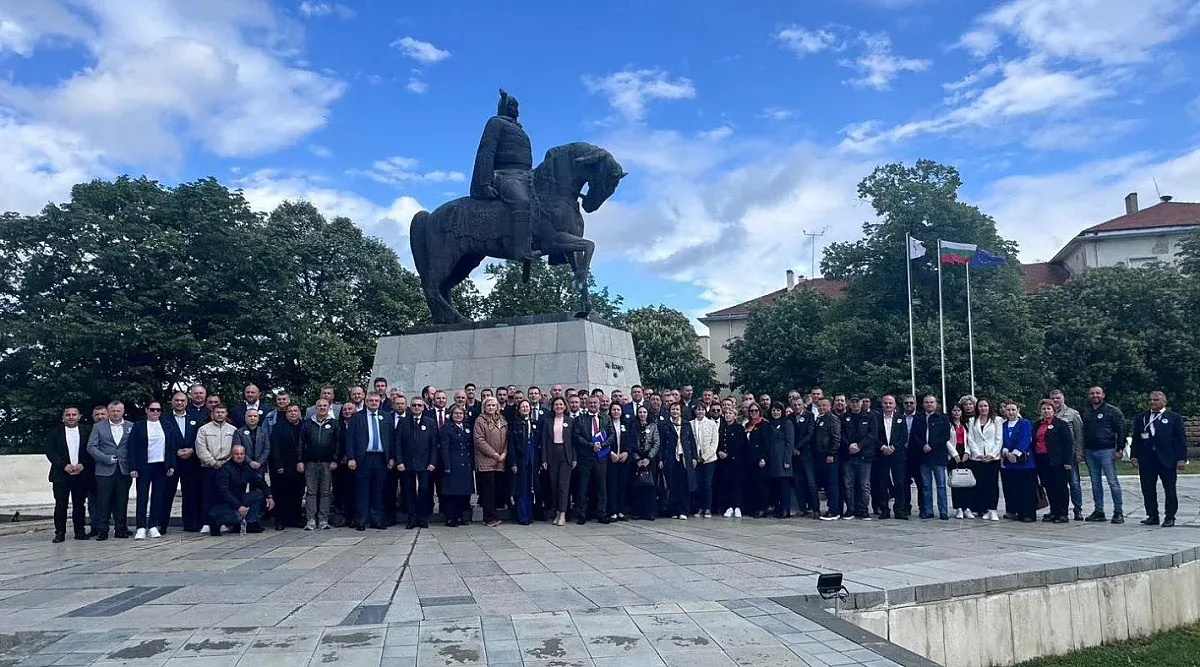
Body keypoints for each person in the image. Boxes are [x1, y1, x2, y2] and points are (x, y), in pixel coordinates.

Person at [1131, 391, 1188, 527]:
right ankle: (1152, 515)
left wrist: (1181, 459)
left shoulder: (1173, 417)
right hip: (1147, 459)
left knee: (1170, 489)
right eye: (1150, 400)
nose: (1152, 402)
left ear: (1164, 401)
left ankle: (1170, 516)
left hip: (1167, 459)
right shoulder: (1142, 417)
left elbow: (1180, 439)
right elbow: (1136, 437)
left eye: (1155, 400)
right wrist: (1134, 455)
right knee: (1148, 489)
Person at [346, 394, 395, 530]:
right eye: (371, 401)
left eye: (376, 401)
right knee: (362, 490)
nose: (374, 403)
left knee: (378, 490)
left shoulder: (386, 416)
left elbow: (392, 439)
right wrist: (351, 457)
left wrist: (391, 457)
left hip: (381, 458)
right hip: (363, 458)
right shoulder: (357, 417)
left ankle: (377, 520)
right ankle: (361, 520)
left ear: (380, 402)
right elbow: (349, 438)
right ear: (366, 402)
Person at [128, 400, 176, 539]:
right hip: (144, 466)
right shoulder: (139, 426)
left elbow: (171, 447)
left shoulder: (167, 426)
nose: (155, 412)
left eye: (158, 410)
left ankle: (153, 525)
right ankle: (141, 527)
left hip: (161, 465)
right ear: (146, 410)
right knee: (142, 496)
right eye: (152, 409)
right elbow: (132, 447)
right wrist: (133, 467)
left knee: (158, 496)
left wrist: (171, 465)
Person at [46, 406, 94, 542]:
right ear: (63, 417)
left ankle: (79, 531)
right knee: (61, 504)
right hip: (61, 475)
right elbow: (50, 452)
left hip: (81, 473)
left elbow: (91, 449)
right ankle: (60, 533)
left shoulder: (87, 431)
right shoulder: (54, 433)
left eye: (74, 414)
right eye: (68, 415)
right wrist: (64, 465)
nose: (71, 417)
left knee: (79, 504)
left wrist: (82, 464)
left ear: (79, 416)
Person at [86, 400, 133, 540]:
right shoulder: (99, 427)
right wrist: (105, 458)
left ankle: (120, 530)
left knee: (122, 501)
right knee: (103, 501)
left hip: (124, 469)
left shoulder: (131, 426)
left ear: (123, 411)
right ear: (109, 411)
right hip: (104, 470)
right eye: (113, 410)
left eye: (118, 410)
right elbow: (91, 447)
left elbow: (135, 447)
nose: (116, 413)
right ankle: (103, 530)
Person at [1081, 386, 1126, 524]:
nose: (1095, 395)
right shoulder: (1086, 412)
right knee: (1095, 483)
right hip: (1090, 451)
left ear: (1103, 395)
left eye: (1098, 393)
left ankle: (1118, 512)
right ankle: (1099, 510)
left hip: (1107, 450)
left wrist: (1120, 449)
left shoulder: (1112, 411)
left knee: (1112, 482)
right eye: (1092, 393)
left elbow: (1121, 429)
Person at [208, 444, 274, 535]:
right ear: (231, 455)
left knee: (259, 495)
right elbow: (224, 492)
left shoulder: (246, 467)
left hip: (239, 498)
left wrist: (269, 496)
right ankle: (217, 522)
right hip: (224, 503)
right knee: (238, 517)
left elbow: (259, 481)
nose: (239, 456)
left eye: (242, 454)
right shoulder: (225, 469)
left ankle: (250, 523)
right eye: (237, 454)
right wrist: (238, 506)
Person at [163, 392, 203, 533]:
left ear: (187, 402)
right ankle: (162, 525)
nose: (180, 403)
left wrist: (192, 450)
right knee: (167, 493)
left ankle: (190, 524)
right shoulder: (164, 418)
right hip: (172, 461)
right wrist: (175, 452)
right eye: (177, 400)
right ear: (172, 402)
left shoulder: (195, 417)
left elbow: (200, 437)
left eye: (182, 400)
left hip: (191, 460)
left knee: (190, 493)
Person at [195, 403, 237, 535]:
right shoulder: (203, 429)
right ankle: (207, 522)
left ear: (226, 414)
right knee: (208, 495)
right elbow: (200, 448)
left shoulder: (233, 430)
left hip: (226, 467)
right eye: (217, 412)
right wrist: (213, 462)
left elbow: (236, 448)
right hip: (209, 467)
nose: (220, 414)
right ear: (212, 414)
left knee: (223, 496)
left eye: (222, 412)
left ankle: (222, 521)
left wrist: (226, 461)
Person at [300, 398, 340, 530]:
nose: (322, 408)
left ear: (329, 407)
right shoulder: (307, 424)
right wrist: (300, 460)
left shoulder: (334, 423)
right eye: (319, 406)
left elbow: (338, 443)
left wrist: (335, 459)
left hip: (327, 463)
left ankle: (323, 519)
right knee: (311, 492)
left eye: (324, 406)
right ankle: (310, 519)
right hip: (310, 463)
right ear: (315, 408)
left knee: (325, 492)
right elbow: (301, 443)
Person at [398, 397, 438, 529]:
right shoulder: (403, 422)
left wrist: (433, 462)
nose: (416, 407)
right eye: (414, 405)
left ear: (423, 407)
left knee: (424, 491)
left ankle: (423, 517)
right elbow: (397, 443)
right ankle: (412, 518)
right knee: (409, 491)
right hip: (407, 463)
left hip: (425, 463)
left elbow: (434, 444)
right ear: (410, 407)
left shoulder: (430, 422)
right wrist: (400, 461)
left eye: (419, 405)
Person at [1032, 399, 1073, 524]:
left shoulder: (1060, 424)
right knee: (1048, 487)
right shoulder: (1037, 424)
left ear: (1054, 410)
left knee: (1060, 487)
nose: (1046, 411)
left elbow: (1067, 443)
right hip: (1041, 459)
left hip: (1057, 460)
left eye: (1049, 408)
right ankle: (1054, 511)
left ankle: (1062, 513)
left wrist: (1067, 461)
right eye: (1043, 409)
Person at [911, 395, 951, 520]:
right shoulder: (918, 418)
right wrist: (923, 445)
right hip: (924, 456)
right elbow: (914, 434)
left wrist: (932, 445)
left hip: (938, 456)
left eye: (931, 402)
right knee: (926, 485)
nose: (929, 404)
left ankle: (943, 511)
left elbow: (945, 435)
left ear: (936, 404)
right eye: (927, 402)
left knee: (941, 485)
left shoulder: (943, 417)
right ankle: (928, 510)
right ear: (923, 404)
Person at [572, 395, 610, 524]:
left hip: (601, 457)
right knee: (583, 487)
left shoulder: (606, 418)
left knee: (601, 487)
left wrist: (602, 445)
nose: (593, 405)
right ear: (586, 404)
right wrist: (591, 445)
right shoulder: (580, 419)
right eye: (590, 403)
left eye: (595, 403)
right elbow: (577, 436)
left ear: (599, 404)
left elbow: (612, 435)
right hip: (585, 457)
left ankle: (602, 514)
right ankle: (581, 515)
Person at [1049, 389, 1085, 521]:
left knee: (1074, 483)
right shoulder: (1048, 413)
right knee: (1057, 484)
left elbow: (1079, 434)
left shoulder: (1073, 414)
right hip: (1054, 457)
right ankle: (1056, 510)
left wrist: (1079, 453)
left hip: (1070, 455)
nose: (1055, 401)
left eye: (1058, 398)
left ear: (1063, 398)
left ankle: (1078, 509)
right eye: (1053, 398)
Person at [541, 397, 576, 526]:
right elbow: (544, 441)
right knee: (554, 485)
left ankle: (563, 513)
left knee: (563, 486)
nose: (559, 407)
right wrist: (544, 458)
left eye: (561, 404)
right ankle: (556, 511)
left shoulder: (570, 421)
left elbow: (573, 442)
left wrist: (574, 458)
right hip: (552, 454)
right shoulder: (548, 421)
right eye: (556, 404)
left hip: (566, 455)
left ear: (565, 406)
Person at [966, 398, 1003, 521]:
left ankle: (992, 509)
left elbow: (999, 439)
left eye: (985, 406)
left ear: (989, 407)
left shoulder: (997, 420)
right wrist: (978, 454)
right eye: (981, 406)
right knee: (979, 483)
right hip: (977, 457)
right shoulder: (972, 420)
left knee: (992, 484)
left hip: (993, 457)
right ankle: (981, 508)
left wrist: (992, 454)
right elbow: (970, 439)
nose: (983, 408)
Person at [269, 404, 305, 530]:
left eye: (295, 411)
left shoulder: (304, 426)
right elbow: (275, 447)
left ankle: (296, 519)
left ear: (299, 412)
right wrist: (278, 465)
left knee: (298, 493)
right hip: (283, 466)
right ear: (286, 413)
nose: (293, 413)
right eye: (290, 411)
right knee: (282, 494)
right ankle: (281, 520)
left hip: (300, 466)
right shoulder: (278, 427)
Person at [474, 397, 508, 527]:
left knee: (496, 489)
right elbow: (479, 440)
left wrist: (504, 453)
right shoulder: (480, 420)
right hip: (486, 460)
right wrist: (493, 454)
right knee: (488, 490)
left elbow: (506, 438)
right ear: (484, 407)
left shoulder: (502, 419)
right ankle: (488, 518)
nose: (491, 407)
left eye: (493, 405)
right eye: (488, 405)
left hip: (500, 460)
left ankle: (495, 515)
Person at [438, 405, 475, 527]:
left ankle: (460, 516)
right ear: (451, 415)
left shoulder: (467, 427)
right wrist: (447, 465)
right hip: (453, 463)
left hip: (465, 464)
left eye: (460, 413)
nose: (458, 416)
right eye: (456, 413)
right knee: (451, 493)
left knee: (462, 493)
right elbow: (444, 448)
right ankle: (450, 517)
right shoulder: (446, 428)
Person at [873, 395, 909, 520]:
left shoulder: (901, 419)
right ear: (882, 404)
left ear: (894, 405)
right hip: (881, 454)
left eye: (890, 403)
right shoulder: (876, 419)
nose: (888, 405)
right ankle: (884, 510)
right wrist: (883, 447)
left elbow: (904, 436)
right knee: (882, 483)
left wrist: (893, 447)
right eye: (886, 403)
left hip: (897, 455)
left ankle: (900, 510)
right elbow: (873, 436)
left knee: (900, 482)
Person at [1000, 401, 1036, 522]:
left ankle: (1028, 514)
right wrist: (1006, 452)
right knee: (1014, 488)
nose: (1011, 412)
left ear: (1018, 410)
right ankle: (1015, 511)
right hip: (1009, 462)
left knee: (1026, 489)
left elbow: (1026, 439)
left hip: (1024, 462)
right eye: (1008, 410)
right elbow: (1003, 440)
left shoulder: (1024, 423)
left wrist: (1015, 453)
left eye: (1013, 410)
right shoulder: (1004, 425)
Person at [843, 396, 878, 520]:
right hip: (849, 456)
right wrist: (849, 446)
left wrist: (859, 445)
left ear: (862, 403)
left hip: (864, 456)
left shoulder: (870, 417)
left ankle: (863, 510)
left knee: (864, 485)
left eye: (857, 402)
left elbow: (872, 434)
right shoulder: (844, 417)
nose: (855, 404)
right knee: (848, 484)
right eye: (852, 402)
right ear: (848, 403)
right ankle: (851, 510)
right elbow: (841, 434)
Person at [661, 402, 697, 520]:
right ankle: (674, 510)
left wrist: (694, 457)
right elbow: (661, 444)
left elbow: (692, 441)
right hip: (671, 458)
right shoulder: (665, 425)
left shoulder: (686, 424)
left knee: (684, 485)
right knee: (673, 485)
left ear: (680, 411)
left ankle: (684, 510)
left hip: (684, 458)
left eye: (677, 409)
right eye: (673, 409)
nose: (675, 411)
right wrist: (661, 459)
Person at [509, 399, 541, 525]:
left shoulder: (534, 423)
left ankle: (530, 514)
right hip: (520, 459)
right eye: (523, 406)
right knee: (521, 489)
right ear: (518, 409)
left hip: (532, 459)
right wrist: (513, 463)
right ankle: (522, 516)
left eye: (527, 406)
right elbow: (511, 445)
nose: (525, 408)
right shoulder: (514, 424)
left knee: (531, 488)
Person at [813, 399, 843, 521]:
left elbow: (836, 437)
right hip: (820, 457)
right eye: (819, 406)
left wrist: (832, 453)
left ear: (830, 406)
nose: (821, 408)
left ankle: (834, 510)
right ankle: (831, 508)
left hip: (830, 456)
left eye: (824, 405)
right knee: (826, 484)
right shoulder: (819, 419)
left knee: (832, 484)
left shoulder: (833, 419)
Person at [790, 395, 819, 519]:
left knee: (811, 482)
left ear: (803, 405)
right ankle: (802, 508)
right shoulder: (789, 418)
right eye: (794, 405)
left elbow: (810, 434)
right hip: (794, 456)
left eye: (799, 404)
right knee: (798, 482)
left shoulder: (809, 416)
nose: (797, 407)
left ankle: (815, 508)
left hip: (806, 454)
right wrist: (792, 449)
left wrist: (798, 447)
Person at [629, 405, 660, 521]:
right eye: (640, 412)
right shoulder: (633, 427)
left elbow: (656, 443)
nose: (642, 414)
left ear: (648, 414)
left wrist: (649, 458)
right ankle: (637, 512)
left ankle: (650, 512)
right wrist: (637, 459)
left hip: (649, 459)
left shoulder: (653, 426)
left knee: (650, 486)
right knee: (637, 486)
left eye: (644, 412)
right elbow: (631, 444)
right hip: (636, 459)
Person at [605, 401, 633, 521]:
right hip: (610, 459)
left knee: (622, 485)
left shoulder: (627, 424)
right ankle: (613, 511)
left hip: (624, 459)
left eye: (618, 410)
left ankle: (621, 510)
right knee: (612, 485)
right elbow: (602, 439)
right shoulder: (606, 424)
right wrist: (610, 452)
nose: (616, 412)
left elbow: (632, 440)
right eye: (613, 410)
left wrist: (626, 452)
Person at [716, 404, 746, 517]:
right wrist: (720, 451)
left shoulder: (739, 428)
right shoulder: (722, 428)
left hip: (736, 460)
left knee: (736, 484)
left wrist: (728, 454)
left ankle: (737, 506)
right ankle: (728, 506)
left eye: (730, 413)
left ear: (735, 415)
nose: (727, 415)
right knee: (726, 484)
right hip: (724, 461)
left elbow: (740, 444)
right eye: (726, 413)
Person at [690, 402, 719, 518]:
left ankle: (708, 508)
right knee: (698, 485)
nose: (700, 411)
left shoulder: (711, 424)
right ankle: (700, 507)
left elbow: (714, 443)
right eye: (698, 409)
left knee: (707, 484)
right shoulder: (691, 424)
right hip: (696, 459)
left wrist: (704, 457)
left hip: (709, 460)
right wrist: (695, 457)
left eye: (702, 409)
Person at [766, 403, 794, 519]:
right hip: (772, 459)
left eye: (778, 410)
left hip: (783, 458)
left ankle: (785, 510)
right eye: (773, 410)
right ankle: (777, 508)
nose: (775, 412)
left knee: (784, 486)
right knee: (775, 485)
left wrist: (787, 459)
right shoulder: (769, 424)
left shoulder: (787, 423)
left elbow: (790, 442)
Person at [743, 403, 770, 518]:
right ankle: (752, 507)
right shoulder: (748, 425)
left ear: (759, 412)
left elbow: (766, 443)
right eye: (751, 411)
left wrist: (763, 457)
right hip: (749, 459)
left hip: (760, 458)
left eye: (756, 411)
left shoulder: (764, 424)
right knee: (752, 483)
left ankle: (762, 508)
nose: (754, 413)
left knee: (761, 485)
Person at [947, 404, 971, 519]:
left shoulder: (966, 424)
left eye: (958, 410)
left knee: (966, 482)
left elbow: (970, 439)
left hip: (965, 453)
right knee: (956, 482)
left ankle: (967, 507)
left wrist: (967, 452)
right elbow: (946, 440)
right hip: (953, 454)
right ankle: (958, 508)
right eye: (954, 410)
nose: (956, 413)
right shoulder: (948, 425)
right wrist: (954, 454)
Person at [235, 409, 271, 476]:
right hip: (243, 466)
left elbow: (267, 448)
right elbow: (237, 449)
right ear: (245, 418)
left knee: (259, 486)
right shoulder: (238, 432)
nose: (252, 418)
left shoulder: (263, 432)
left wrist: (259, 462)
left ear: (258, 418)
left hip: (260, 466)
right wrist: (250, 462)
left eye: (255, 416)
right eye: (249, 416)